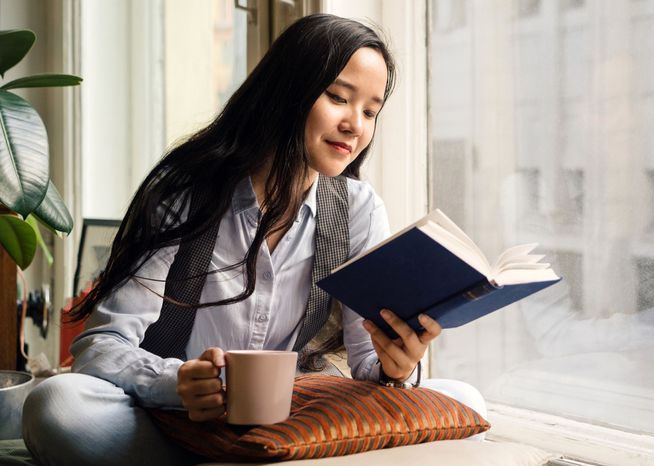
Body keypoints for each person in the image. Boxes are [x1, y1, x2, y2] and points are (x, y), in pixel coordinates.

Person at [21, 14, 485, 466]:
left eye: (370, 111)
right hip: (172, 420)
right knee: (58, 405)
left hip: (284, 424)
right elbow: (101, 345)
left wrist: (397, 365)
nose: (355, 125)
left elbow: (368, 365)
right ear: (288, 93)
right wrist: (177, 382)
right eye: (338, 98)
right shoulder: (186, 191)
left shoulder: (359, 210)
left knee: (467, 400)